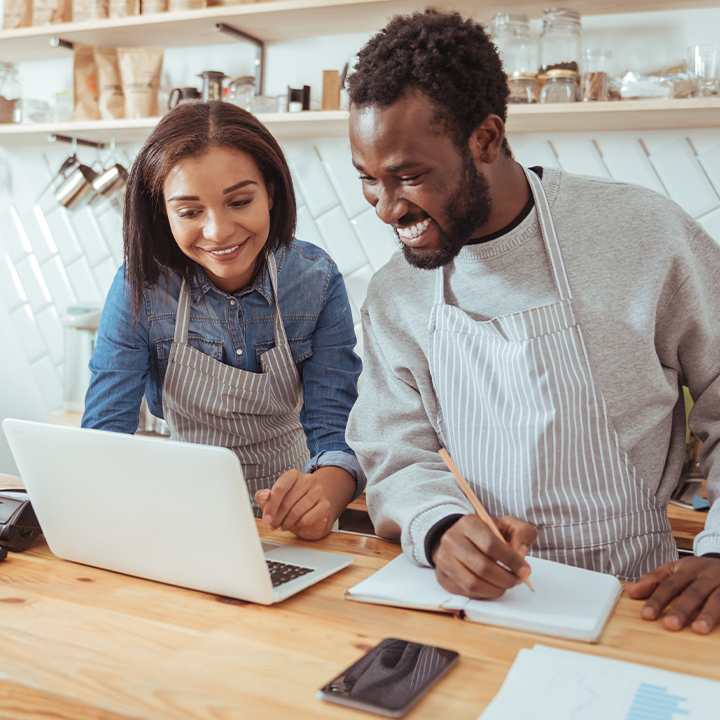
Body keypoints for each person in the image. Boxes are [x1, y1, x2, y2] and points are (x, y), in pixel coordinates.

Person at [345, 11, 720, 633]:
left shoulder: (645, 235)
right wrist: (439, 530)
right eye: (367, 181)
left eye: (409, 177)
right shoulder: (396, 292)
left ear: (486, 139)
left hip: (640, 601)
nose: (387, 209)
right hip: (477, 604)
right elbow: (394, 451)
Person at [83, 101, 364, 540]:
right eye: (190, 211)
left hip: (293, 521)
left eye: (239, 201)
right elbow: (104, 435)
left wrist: (321, 500)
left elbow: (336, 431)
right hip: (185, 516)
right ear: (163, 212)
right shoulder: (141, 286)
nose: (218, 231)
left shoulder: (315, 280)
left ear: (270, 192)